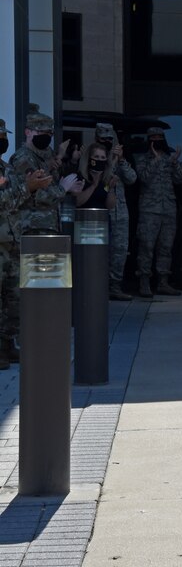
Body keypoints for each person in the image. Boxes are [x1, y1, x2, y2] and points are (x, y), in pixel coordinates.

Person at [0, 119, 50, 369]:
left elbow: (15, 201)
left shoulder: (4, 169)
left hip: (11, 240)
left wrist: (28, 187)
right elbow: (7, 200)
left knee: (14, 298)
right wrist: (27, 188)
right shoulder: (13, 165)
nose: (2, 139)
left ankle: (8, 345)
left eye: (3, 134)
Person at [11, 104, 80, 237]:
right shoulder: (23, 159)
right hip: (32, 228)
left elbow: (50, 183)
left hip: (46, 227)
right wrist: (63, 188)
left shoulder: (43, 156)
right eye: (41, 132)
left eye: (49, 133)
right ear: (28, 132)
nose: (46, 136)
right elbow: (39, 195)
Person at [134, 126, 182, 297]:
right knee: (146, 247)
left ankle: (163, 282)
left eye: (159, 137)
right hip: (149, 210)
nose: (157, 141)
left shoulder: (170, 157)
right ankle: (144, 282)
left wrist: (176, 162)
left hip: (168, 209)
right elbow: (144, 179)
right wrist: (155, 160)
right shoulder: (142, 159)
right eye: (153, 138)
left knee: (166, 247)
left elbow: (180, 180)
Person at [95, 123, 137, 301]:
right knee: (100, 252)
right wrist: (111, 161)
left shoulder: (118, 158)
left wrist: (121, 160)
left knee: (120, 250)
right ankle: (98, 286)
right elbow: (104, 179)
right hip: (101, 212)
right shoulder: (95, 158)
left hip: (121, 212)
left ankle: (115, 286)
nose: (107, 142)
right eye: (103, 139)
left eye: (109, 139)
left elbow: (132, 178)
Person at [74, 142, 118, 210]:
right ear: (89, 158)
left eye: (103, 157)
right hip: (83, 217)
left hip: (102, 218)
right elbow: (77, 202)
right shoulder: (80, 177)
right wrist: (94, 185)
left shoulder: (107, 179)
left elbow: (110, 206)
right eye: (96, 156)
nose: (99, 160)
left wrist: (111, 189)